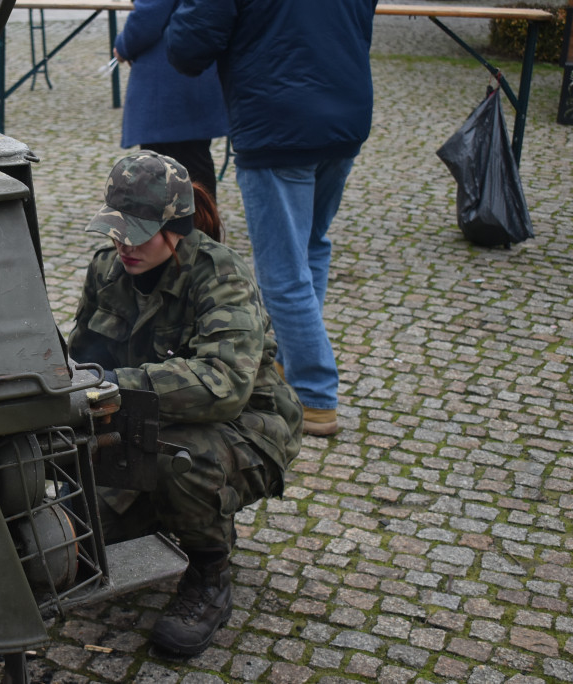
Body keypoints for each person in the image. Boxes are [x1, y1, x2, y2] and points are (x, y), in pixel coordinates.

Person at [69, 150, 302, 656]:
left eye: (137, 231)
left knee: (177, 461)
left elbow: (224, 386)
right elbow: (81, 358)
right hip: (142, 419)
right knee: (73, 542)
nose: (122, 243)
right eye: (116, 227)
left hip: (247, 427)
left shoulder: (220, 277)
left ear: (176, 228)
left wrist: (111, 383)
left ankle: (209, 575)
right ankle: (168, 513)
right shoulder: (108, 269)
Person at [164, 0, 379, 436]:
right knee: (309, 247)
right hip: (344, 112)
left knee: (284, 272)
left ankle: (315, 394)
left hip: (278, 121)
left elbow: (188, 47)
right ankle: (289, 361)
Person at [112, 0, 228, 200]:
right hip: (191, 66)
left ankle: (187, 228)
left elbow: (148, 16)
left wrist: (123, 45)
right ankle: (200, 225)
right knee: (191, 159)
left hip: (170, 77)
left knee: (169, 167)